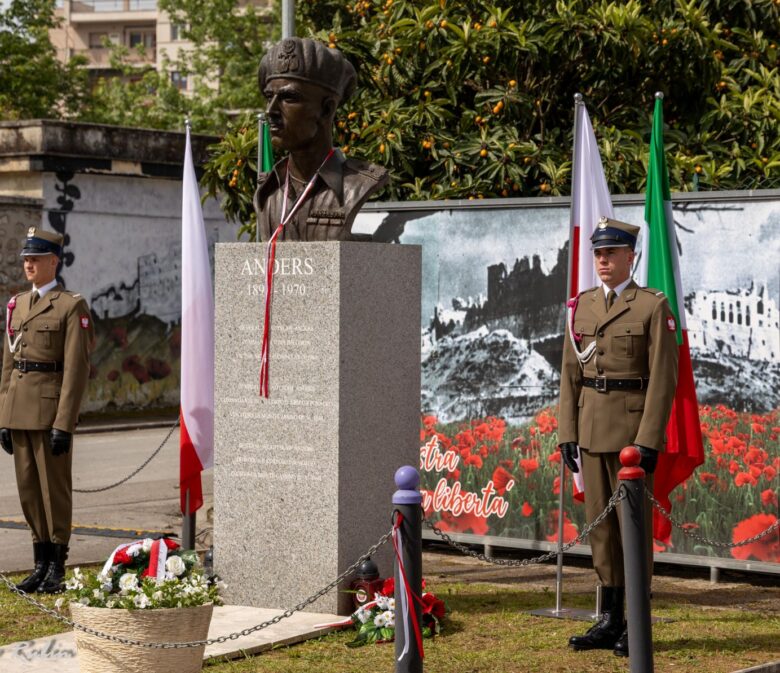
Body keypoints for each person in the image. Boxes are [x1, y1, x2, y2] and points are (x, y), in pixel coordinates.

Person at [557, 217, 678, 657]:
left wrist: (648, 441)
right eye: (598, 253)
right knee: (601, 529)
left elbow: (663, 379)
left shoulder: (651, 306)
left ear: (631, 256)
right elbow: (570, 375)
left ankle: (636, 622)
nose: (603, 260)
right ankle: (609, 619)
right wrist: (567, 431)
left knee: (632, 529)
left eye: (611, 253)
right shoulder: (582, 306)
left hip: (631, 433)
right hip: (590, 429)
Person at [0, 228, 94, 594]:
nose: (28, 264)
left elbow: (76, 369)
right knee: (28, 490)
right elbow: (8, 364)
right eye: (26, 258)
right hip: (19, 410)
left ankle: (57, 566)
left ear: (53, 261)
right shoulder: (17, 304)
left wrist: (64, 423)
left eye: (35, 258)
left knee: (54, 491)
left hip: (50, 411)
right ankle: (39, 562)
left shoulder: (71, 306)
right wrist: (3, 417)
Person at [254, 37, 389, 242]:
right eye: (269, 97)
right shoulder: (268, 192)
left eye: (288, 97)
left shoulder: (357, 185)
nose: (270, 111)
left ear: (326, 110)